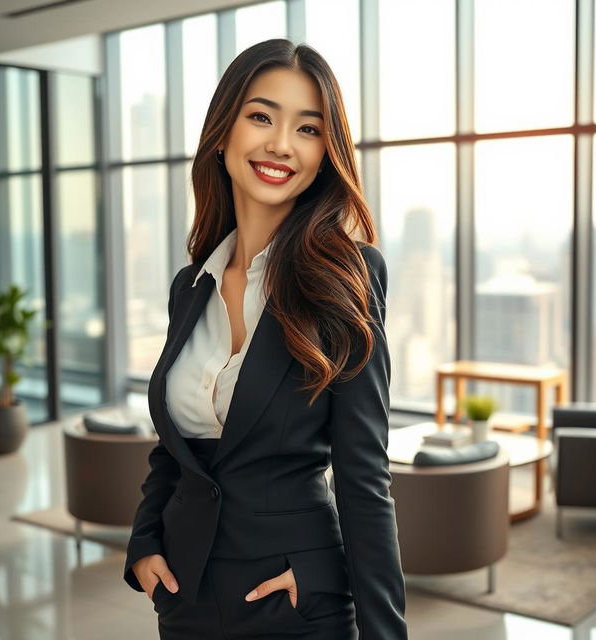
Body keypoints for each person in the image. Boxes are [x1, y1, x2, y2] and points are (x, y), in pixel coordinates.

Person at [123, 38, 408, 640]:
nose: (281, 144)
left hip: (297, 603)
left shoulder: (348, 276)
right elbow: (174, 448)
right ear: (222, 132)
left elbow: (363, 477)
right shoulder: (190, 286)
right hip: (185, 601)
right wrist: (145, 542)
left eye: (307, 129)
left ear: (325, 154)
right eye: (261, 116)